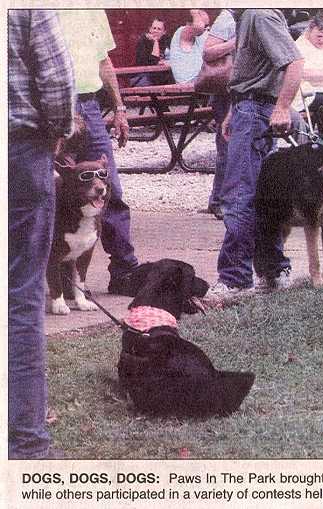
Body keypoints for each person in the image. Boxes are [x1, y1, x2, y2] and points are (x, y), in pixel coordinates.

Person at [9, 9, 75, 459]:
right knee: (20, 297)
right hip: (16, 149)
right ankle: (26, 443)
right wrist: (57, 133)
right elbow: (56, 78)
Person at [205, 9, 304, 302]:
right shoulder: (247, 16)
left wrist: (282, 107)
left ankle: (234, 279)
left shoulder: (259, 14)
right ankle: (273, 271)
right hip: (247, 108)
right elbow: (253, 70)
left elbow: (295, 63)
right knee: (263, 195)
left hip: (257, 111)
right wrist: (235, 111)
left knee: (239, 195)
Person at [57, 10, 141, 295]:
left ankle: (125, 271)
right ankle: (44, 276)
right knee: (45, 190)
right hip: (52, 105)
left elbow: (104, 60)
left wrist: (119, 108)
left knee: (109, 189)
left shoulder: (93, 8)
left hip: (89, 106)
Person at [202, 8, 237, 219]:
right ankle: (219, 202)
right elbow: (207, 52)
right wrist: (236, 41)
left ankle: (225, 200)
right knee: (227, 146)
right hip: (225, 91)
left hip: (237, 89)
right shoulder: (228, 17)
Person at [168, 9, 210, 83]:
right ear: (188, 23)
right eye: (205, 25)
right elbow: (199, 27)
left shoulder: (202, 35)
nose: (207, 28)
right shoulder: (181, 32)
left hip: (201, 80)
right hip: (188, 82)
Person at [129, 17, 172, 87]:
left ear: (164, 32)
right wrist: (155, 42)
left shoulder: (167, 41)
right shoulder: (143, 41)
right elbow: (153, 63)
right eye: (154, 28)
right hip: (142, 76)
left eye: (159, 29)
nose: (155, 31)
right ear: (150, 29)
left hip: (161, 77)